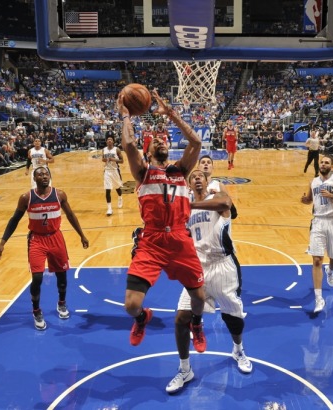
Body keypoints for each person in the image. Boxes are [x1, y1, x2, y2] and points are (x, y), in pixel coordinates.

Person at [118, 89, 207, 391]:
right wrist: (126, 116)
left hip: (180, 238)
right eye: (155, 140)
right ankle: (143, 318)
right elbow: (128, 144)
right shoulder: (143, 172)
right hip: (153, 241)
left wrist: (172, 115)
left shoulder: (181, 170)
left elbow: (196, 142)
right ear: (149, 150)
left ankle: (196, 323)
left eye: (164, 138)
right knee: (131, 305)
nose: (161, 140)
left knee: (199, 299)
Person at [168, 169, 251, 394]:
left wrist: (189, 205)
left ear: (207, 181)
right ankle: (185, 369)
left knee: (232, 317)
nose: (196, 178)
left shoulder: (217, 197)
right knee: (181, 318)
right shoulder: (184, 210)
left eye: (200, 176)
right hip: (198, 267)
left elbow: (226, 203)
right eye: (193, 176)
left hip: (223, 264)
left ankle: (238, 349)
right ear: (188, 184)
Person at [0, 167, 89, 330]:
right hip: (36, 240)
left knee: (62, 275)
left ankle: (61, 303)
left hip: (56, 237)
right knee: (37, 278)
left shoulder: (59, 194)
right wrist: (2, 242)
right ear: (34, 178)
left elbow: (71, 215)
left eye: (46, 174)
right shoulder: (26, 198)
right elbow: (14, 220)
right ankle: (36, 311)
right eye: (40, 174)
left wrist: (82, 235)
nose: (44, 176)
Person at [301, 156, 333, 313]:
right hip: (318, 222)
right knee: (317, 260)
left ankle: (330, 270)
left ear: (332, 166)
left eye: (326, 163)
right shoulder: (313, 181)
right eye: (322, 162)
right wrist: (304, 200)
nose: (323, 164)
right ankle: (319, 299)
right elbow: (309, 200)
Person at [197, 154, 238, 219]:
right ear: (198, 167)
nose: (206, 164)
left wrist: (220, 196)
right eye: (203, 162)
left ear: (212, 167)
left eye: (208, 162)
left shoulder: (219, 185)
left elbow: (233, 214)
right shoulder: (191, 186)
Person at [102, 131, 124, 216]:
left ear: (113, 141)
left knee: (117, 187)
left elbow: (122, 161)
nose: (109, 140)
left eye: (111, 139)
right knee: (108, 189)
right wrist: (106, 159)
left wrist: (114, 159)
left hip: (115, 171)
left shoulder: (117, 149)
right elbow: (103, 159)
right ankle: (109, 209)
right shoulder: (104, 150)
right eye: (108, 139)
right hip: (107, 171)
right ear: (106, 141)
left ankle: (120, 197)